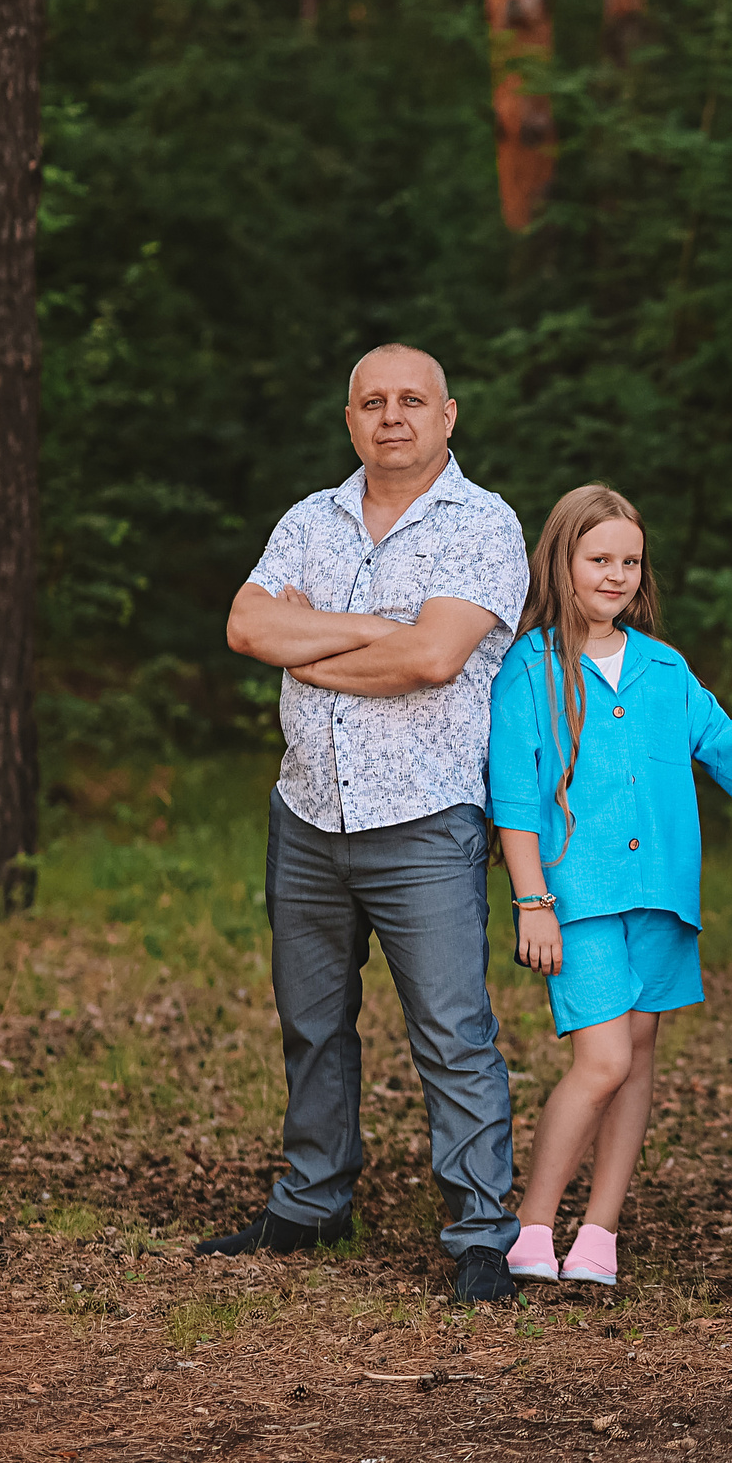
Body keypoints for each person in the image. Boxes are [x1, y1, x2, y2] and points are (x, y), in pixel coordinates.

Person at [209, 344, 531, 1303]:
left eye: (412, 401)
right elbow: (244, 626)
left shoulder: (484, 524)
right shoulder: (310, 517)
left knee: (450, 1028)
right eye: (372, 402)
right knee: (312, 1022)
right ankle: (313, 1199)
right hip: (306, 810)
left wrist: (312, 642)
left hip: (425, 819)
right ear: (350, 419)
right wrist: (382, 631)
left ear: (448, 416)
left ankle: (481, 1231)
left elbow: (436, 660)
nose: (392, 416)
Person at [487, 485, 732, 1287]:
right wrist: (531, 899)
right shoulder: (530, 668)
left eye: (629, 561)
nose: (615, 574)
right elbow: (513, 799)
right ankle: (533, 1227)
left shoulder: (663, 666)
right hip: (576, 897)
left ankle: (599, 1234)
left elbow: (723, 742)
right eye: (599, 558)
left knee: (639, 1057)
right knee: (603, 1057)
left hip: (661, 892)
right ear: (564, 562)